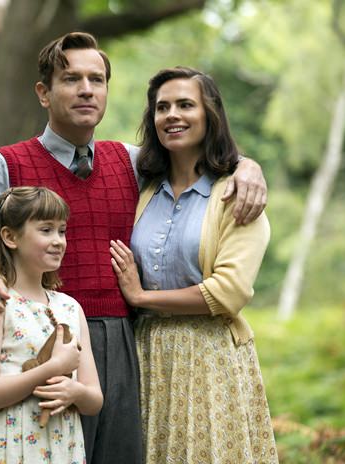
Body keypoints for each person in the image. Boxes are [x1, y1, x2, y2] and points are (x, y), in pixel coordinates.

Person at [0, 32, 268, 463]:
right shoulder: (5, 166)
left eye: (96, 80)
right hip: (40, 347)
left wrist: (247, 166)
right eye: (71, 79)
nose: (85, 90)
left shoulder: (133, 164)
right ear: (44, 92)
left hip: (122, 344)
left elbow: (194, 155)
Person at [109, 66, 277, 463]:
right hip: (146, 356)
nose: (172, 115)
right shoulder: (142, 188)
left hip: (208, 358)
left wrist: (140, 296)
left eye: (185, 104)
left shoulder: (237, 194)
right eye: (162, 107)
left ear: (210, 115)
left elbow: (228, 292)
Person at [0, 186, 102, 463]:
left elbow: (94, 398)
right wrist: (53, 368)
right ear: (10, 236)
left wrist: (74, 392)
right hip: (10, 448)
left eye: (62, 231)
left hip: (62, 447)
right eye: (46, 230)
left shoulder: (70, 308)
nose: (58, 241)